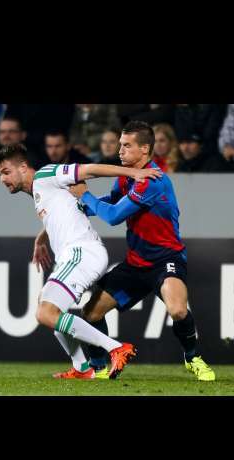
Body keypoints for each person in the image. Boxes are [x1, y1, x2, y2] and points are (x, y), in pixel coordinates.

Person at [0, 144, 161, 379]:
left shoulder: (45, 175)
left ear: (23, 167)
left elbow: (89, 170)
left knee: (45, 312)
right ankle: (82, 368)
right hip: (78, 254)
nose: (2, 179)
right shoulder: (40, 192)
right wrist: (41, 237)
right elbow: (64, 211)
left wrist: (134, 173)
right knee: (49, 308)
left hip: (82, 252)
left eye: (6, 172)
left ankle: (116, 348)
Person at [68, 121, 216, 382]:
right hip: (136, 264)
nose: (120, 150)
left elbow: (114, 216)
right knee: (90, 312)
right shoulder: (126, 176)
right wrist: (80, 207)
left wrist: (85, 195)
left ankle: (193, 358)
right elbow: (112, 202)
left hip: (166, 259)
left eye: (127, 145)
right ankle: (100, 368)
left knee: (178, 310)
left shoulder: (153, 180)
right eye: (120, 145)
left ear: (145, 149)